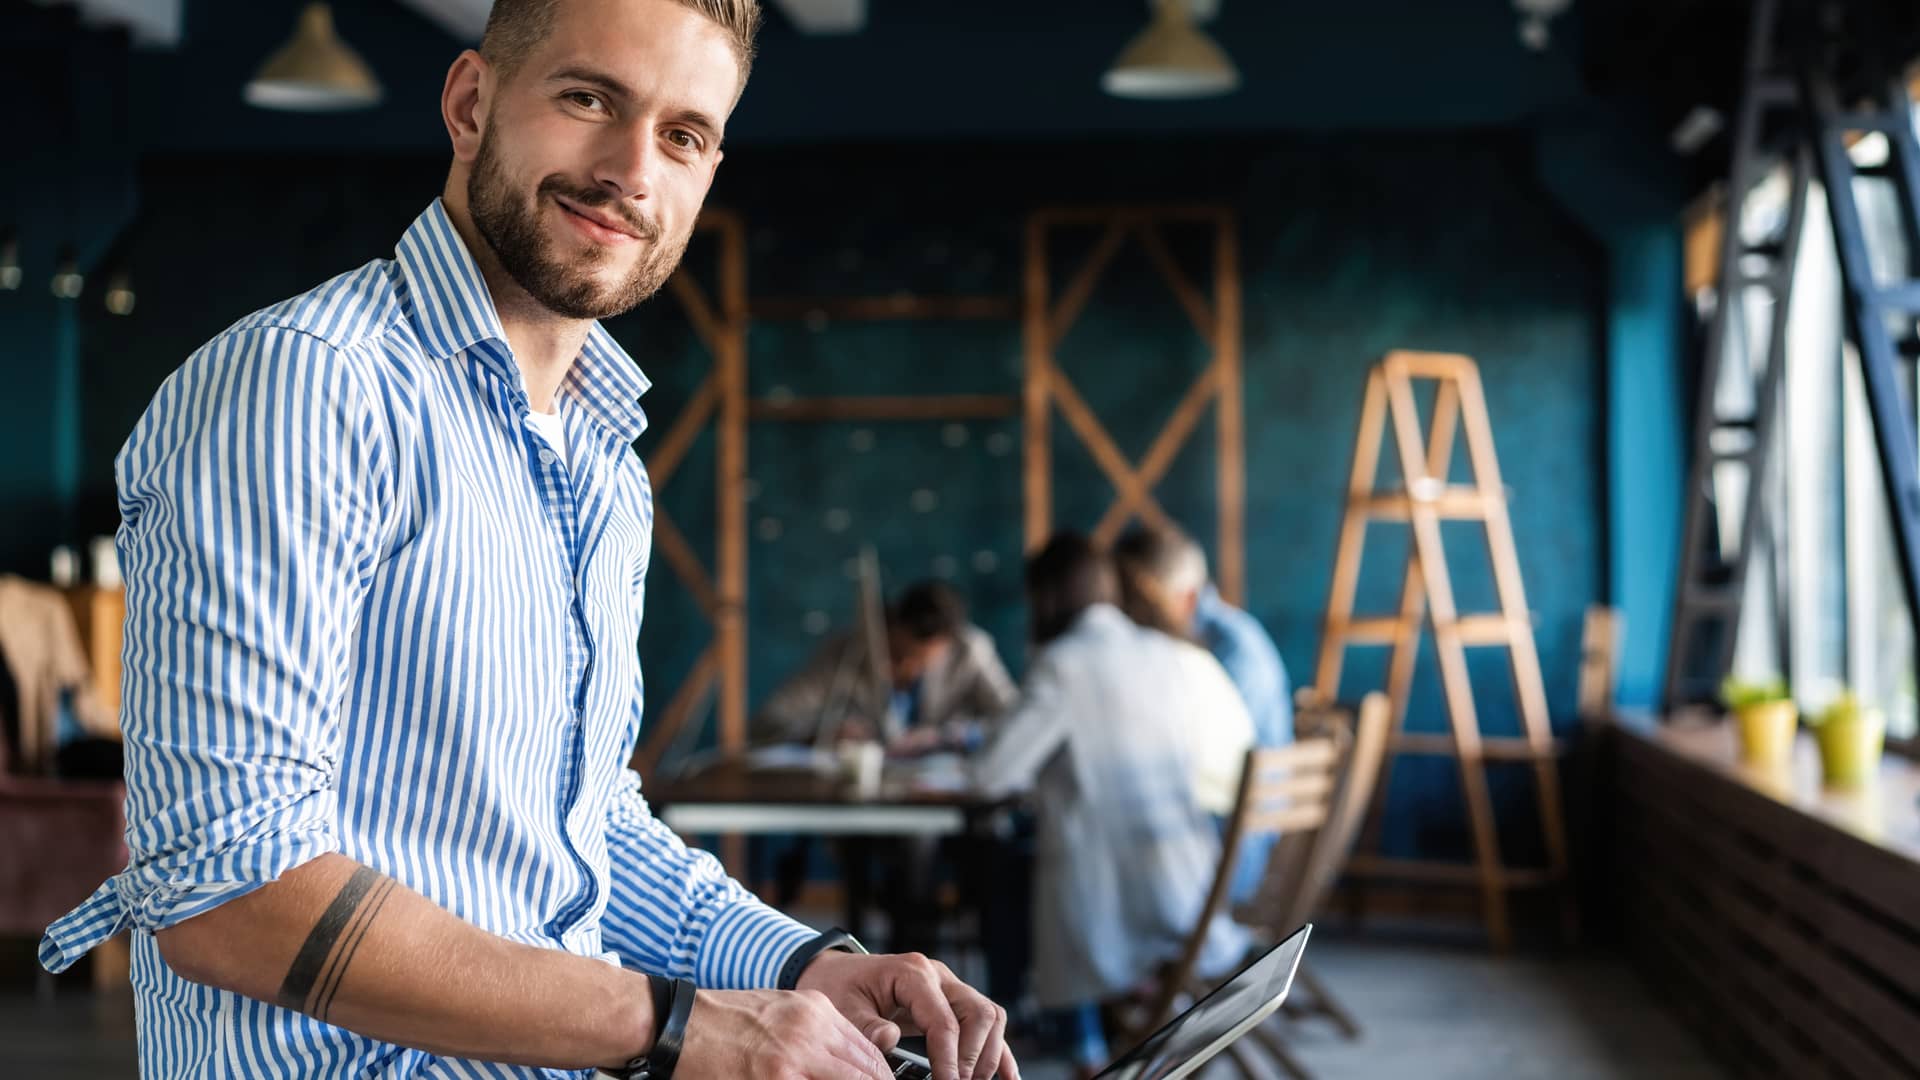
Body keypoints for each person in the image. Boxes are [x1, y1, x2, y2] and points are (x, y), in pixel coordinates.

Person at [37, 3, 1016, 1079]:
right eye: (590, 99)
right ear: (470, 104)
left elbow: (580, 823)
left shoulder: (598, 454)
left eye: (682, 135)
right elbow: (232, 897)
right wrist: (685, 1025)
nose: (631, 171)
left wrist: (796, 965)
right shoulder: (309, 387)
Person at [972, 533, 1251, 1077]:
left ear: (1046, 598)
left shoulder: (1063, 663)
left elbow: (990, 776)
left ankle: (1058, 1037)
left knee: (998, 866)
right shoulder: (1165, 652)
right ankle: (1077, 1034)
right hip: (1188, 881)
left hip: (1117, 898)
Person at [1114, 523, 1294, 904]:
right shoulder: (1208, 644)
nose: (1129, 617)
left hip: (1234, 846)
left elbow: (1199, 761)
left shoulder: (1230, 651)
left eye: (1135, 602)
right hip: (1223, 831)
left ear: (1187, 598)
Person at [752, 581, 1017, 754]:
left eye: (921, 663)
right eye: (898, 654)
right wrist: (824, 732)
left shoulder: (971, 651)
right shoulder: (848, 652)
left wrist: (944, 736)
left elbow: (1015, 718)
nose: (905, 669)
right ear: (891, 626)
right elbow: (770, 719)